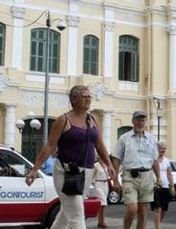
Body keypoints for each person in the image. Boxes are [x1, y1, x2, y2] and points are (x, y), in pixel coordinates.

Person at [25, 85, 115, 229]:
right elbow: (50, 145)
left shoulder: (93, 119)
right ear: (73, 99)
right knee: (77, 218)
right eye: (84, 96)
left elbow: (99, 145)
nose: (88, 98)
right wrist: (35, 169)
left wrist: (109, 164)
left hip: (86, 173)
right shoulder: (63, 119)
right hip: (66, 173)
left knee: (65, 215)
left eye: (89, 96)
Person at [111, 110, 161, 229]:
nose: (140, 122)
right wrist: (115, 180)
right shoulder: (124, 138)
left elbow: (154, 160)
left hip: (147, 176)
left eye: (143, 120)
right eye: (138, 120)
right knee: (132, 208)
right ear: (133, 121)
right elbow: (116, 159)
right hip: (130, 176)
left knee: (143, 212)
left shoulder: (151, 139)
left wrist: (158, 178)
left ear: (145, 122)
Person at [151, 141, 175, 229]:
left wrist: (172, 187)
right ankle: (157, 227)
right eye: (162, 148)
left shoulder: (166, 161)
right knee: (157, 208)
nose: (163, 150)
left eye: (165, 148)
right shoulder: (153, 160)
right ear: (157, 149)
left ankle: (157, 224)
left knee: (164, 210)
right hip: (155, 186)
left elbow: (169, 174)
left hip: (165, 186)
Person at [92, 156, 110, 228]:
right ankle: (102, 221)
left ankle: (100, 221)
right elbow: (92, 176)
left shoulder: (107, 164)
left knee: (102, 205)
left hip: (105, 184)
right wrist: (94, 184)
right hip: (98, 184)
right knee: (103, 203)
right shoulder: (96, 165)